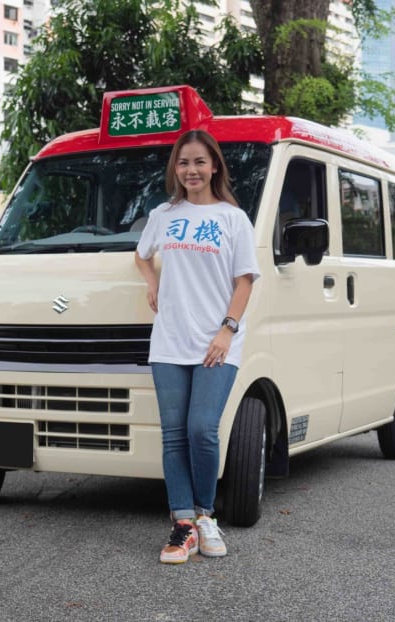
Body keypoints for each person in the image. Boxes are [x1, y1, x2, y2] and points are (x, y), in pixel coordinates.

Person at [134, 130, 260, 564]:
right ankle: (183, 523)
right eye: (183, 162)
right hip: (170, 339)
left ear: (214, 167)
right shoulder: (164, 214)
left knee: (201, 430)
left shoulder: (232, 218)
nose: (191, 170)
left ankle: (207, 514)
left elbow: (245, 280)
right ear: (176, 168)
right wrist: (153, 281)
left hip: (216, 341)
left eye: (199, 163)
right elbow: (141, 254)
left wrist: (226, 330)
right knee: (173, 435)